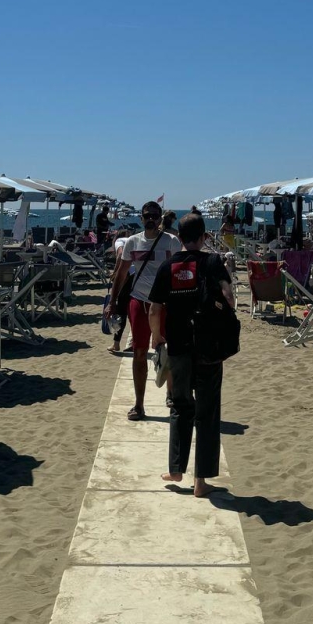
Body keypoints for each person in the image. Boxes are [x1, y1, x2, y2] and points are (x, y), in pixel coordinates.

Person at [148, 213, 234, 497]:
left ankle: (175, 469)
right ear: (203, 236)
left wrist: (157, 336)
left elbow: (155, 307)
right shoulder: (211, 262)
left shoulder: (167, 266)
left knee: (181, 406)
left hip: (179, 346)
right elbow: (229, 296)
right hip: (208, 347)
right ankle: (201, 480)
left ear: (180, 237)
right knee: (207, 412)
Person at [105, 201, 181, 420]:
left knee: (167, 351)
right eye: (147, 215)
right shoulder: (133, 242)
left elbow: (180, 271)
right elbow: (120, 274)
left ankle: (170, 393)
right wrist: (112, 302)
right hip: (139, 301)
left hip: (165, 304)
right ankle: (139, 404)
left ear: (160, 219)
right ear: (141, 218)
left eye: (155, 216)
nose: (151, 219)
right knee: (139, 352)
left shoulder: (171, 242)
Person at [108, 228, 132, 355]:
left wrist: (116, 273)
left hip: (127, 275)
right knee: (134, 310)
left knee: (122, 310)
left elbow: (119, 256)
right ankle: (133, 342)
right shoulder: (133, 240)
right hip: (138, 276)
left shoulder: (119, 241)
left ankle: (116, 343)